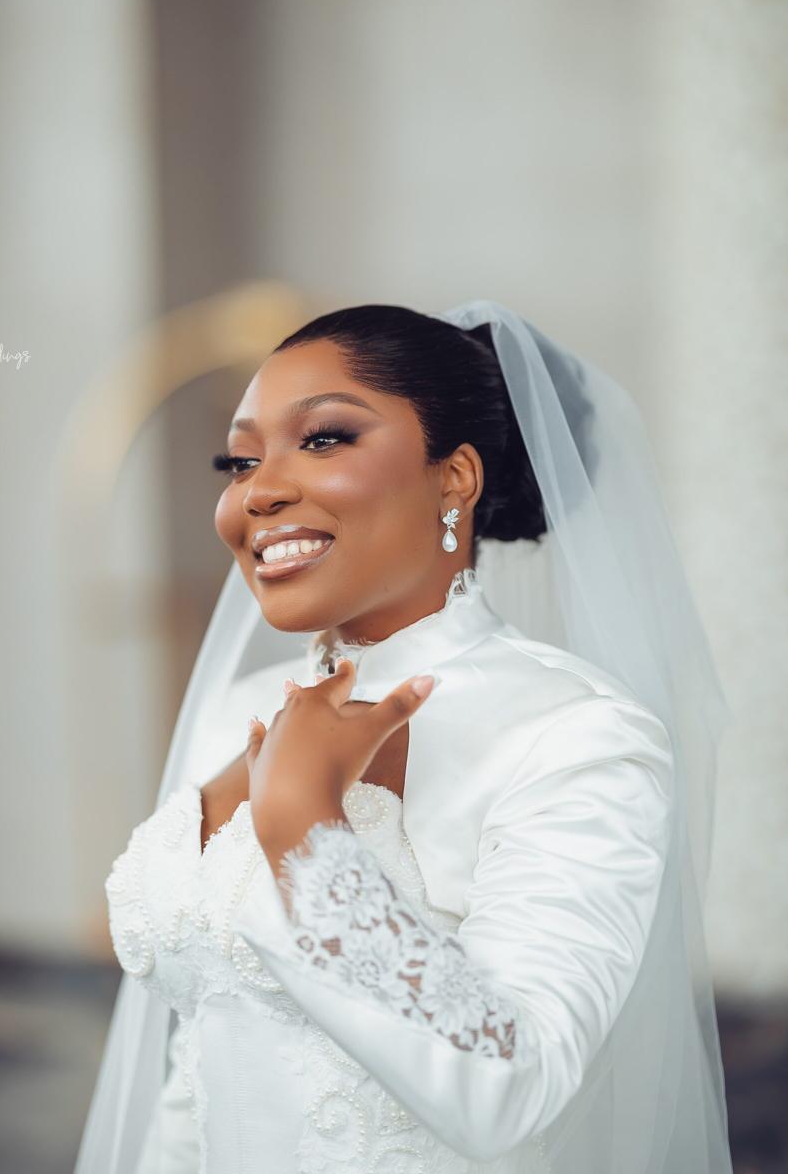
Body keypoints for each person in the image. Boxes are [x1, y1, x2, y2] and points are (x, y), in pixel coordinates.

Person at [76, 301, 734, 1174]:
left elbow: (515, 1087)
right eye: (240, 461)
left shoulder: (574, 734)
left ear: (454, 477)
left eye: (323, 439)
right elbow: (200, 1065)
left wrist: (306, 834)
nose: (257, 491)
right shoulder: (238, 708)